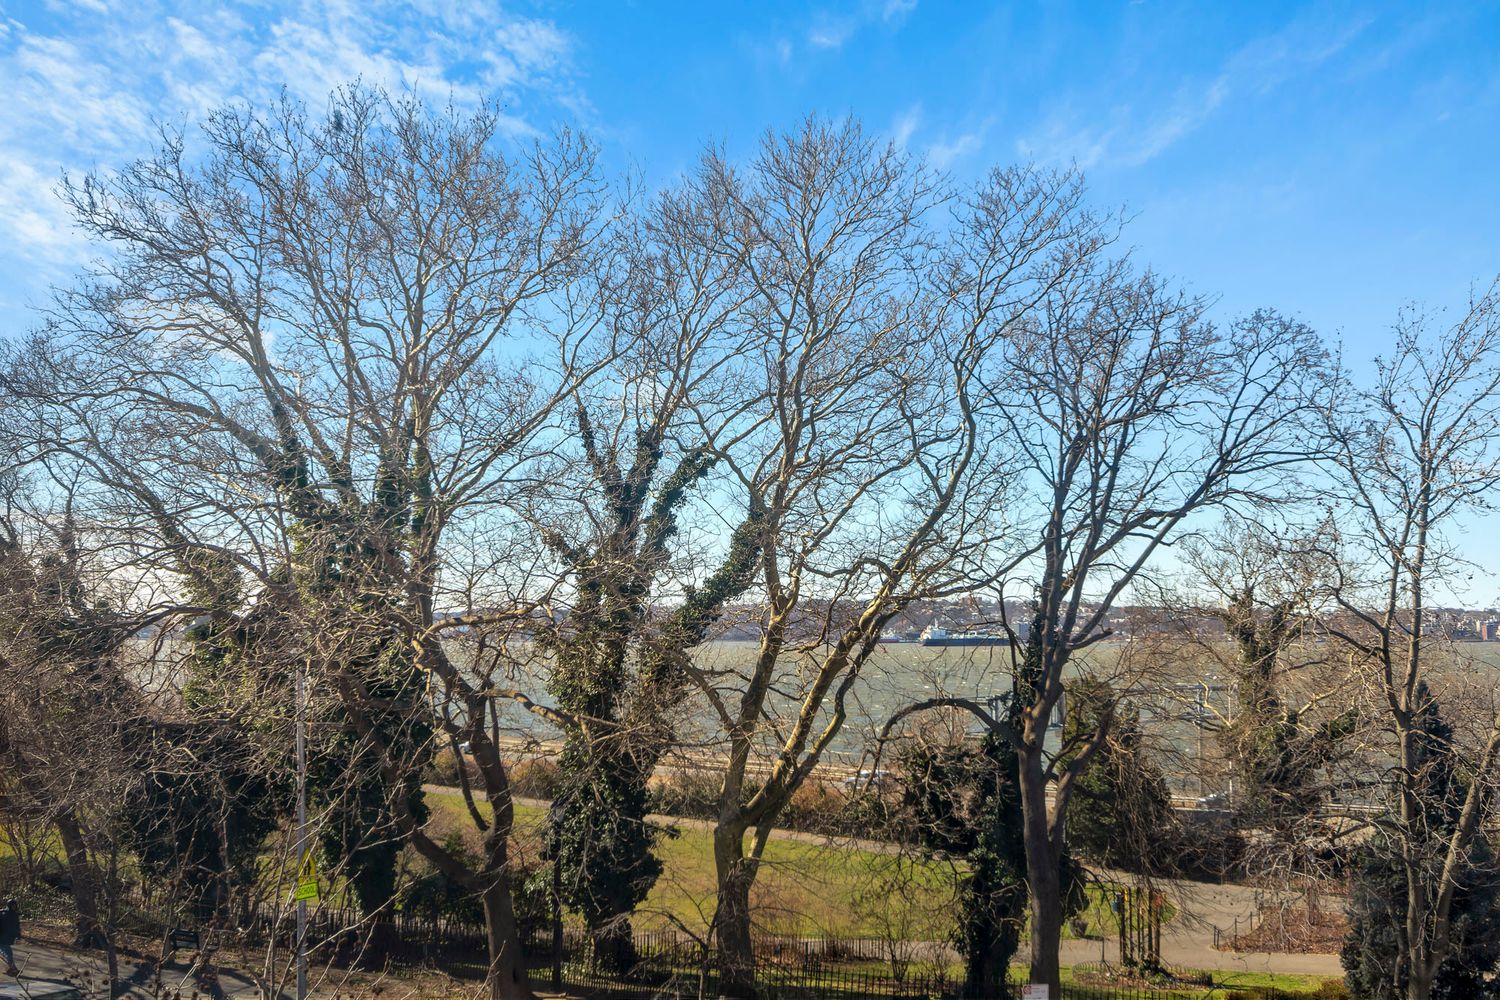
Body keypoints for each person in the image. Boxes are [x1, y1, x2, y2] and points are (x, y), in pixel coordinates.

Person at [0, 897, 19, 976]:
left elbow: (17, 926)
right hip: (3, 936)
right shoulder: (3, 913)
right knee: (7, 952)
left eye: (15, 905)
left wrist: (18, 935)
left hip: (7, 937)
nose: (14, 907)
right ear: (9, 905)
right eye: (13, 905)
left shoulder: (14, 914)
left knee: (6, 952)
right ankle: (12, 968)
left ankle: (11, 968)